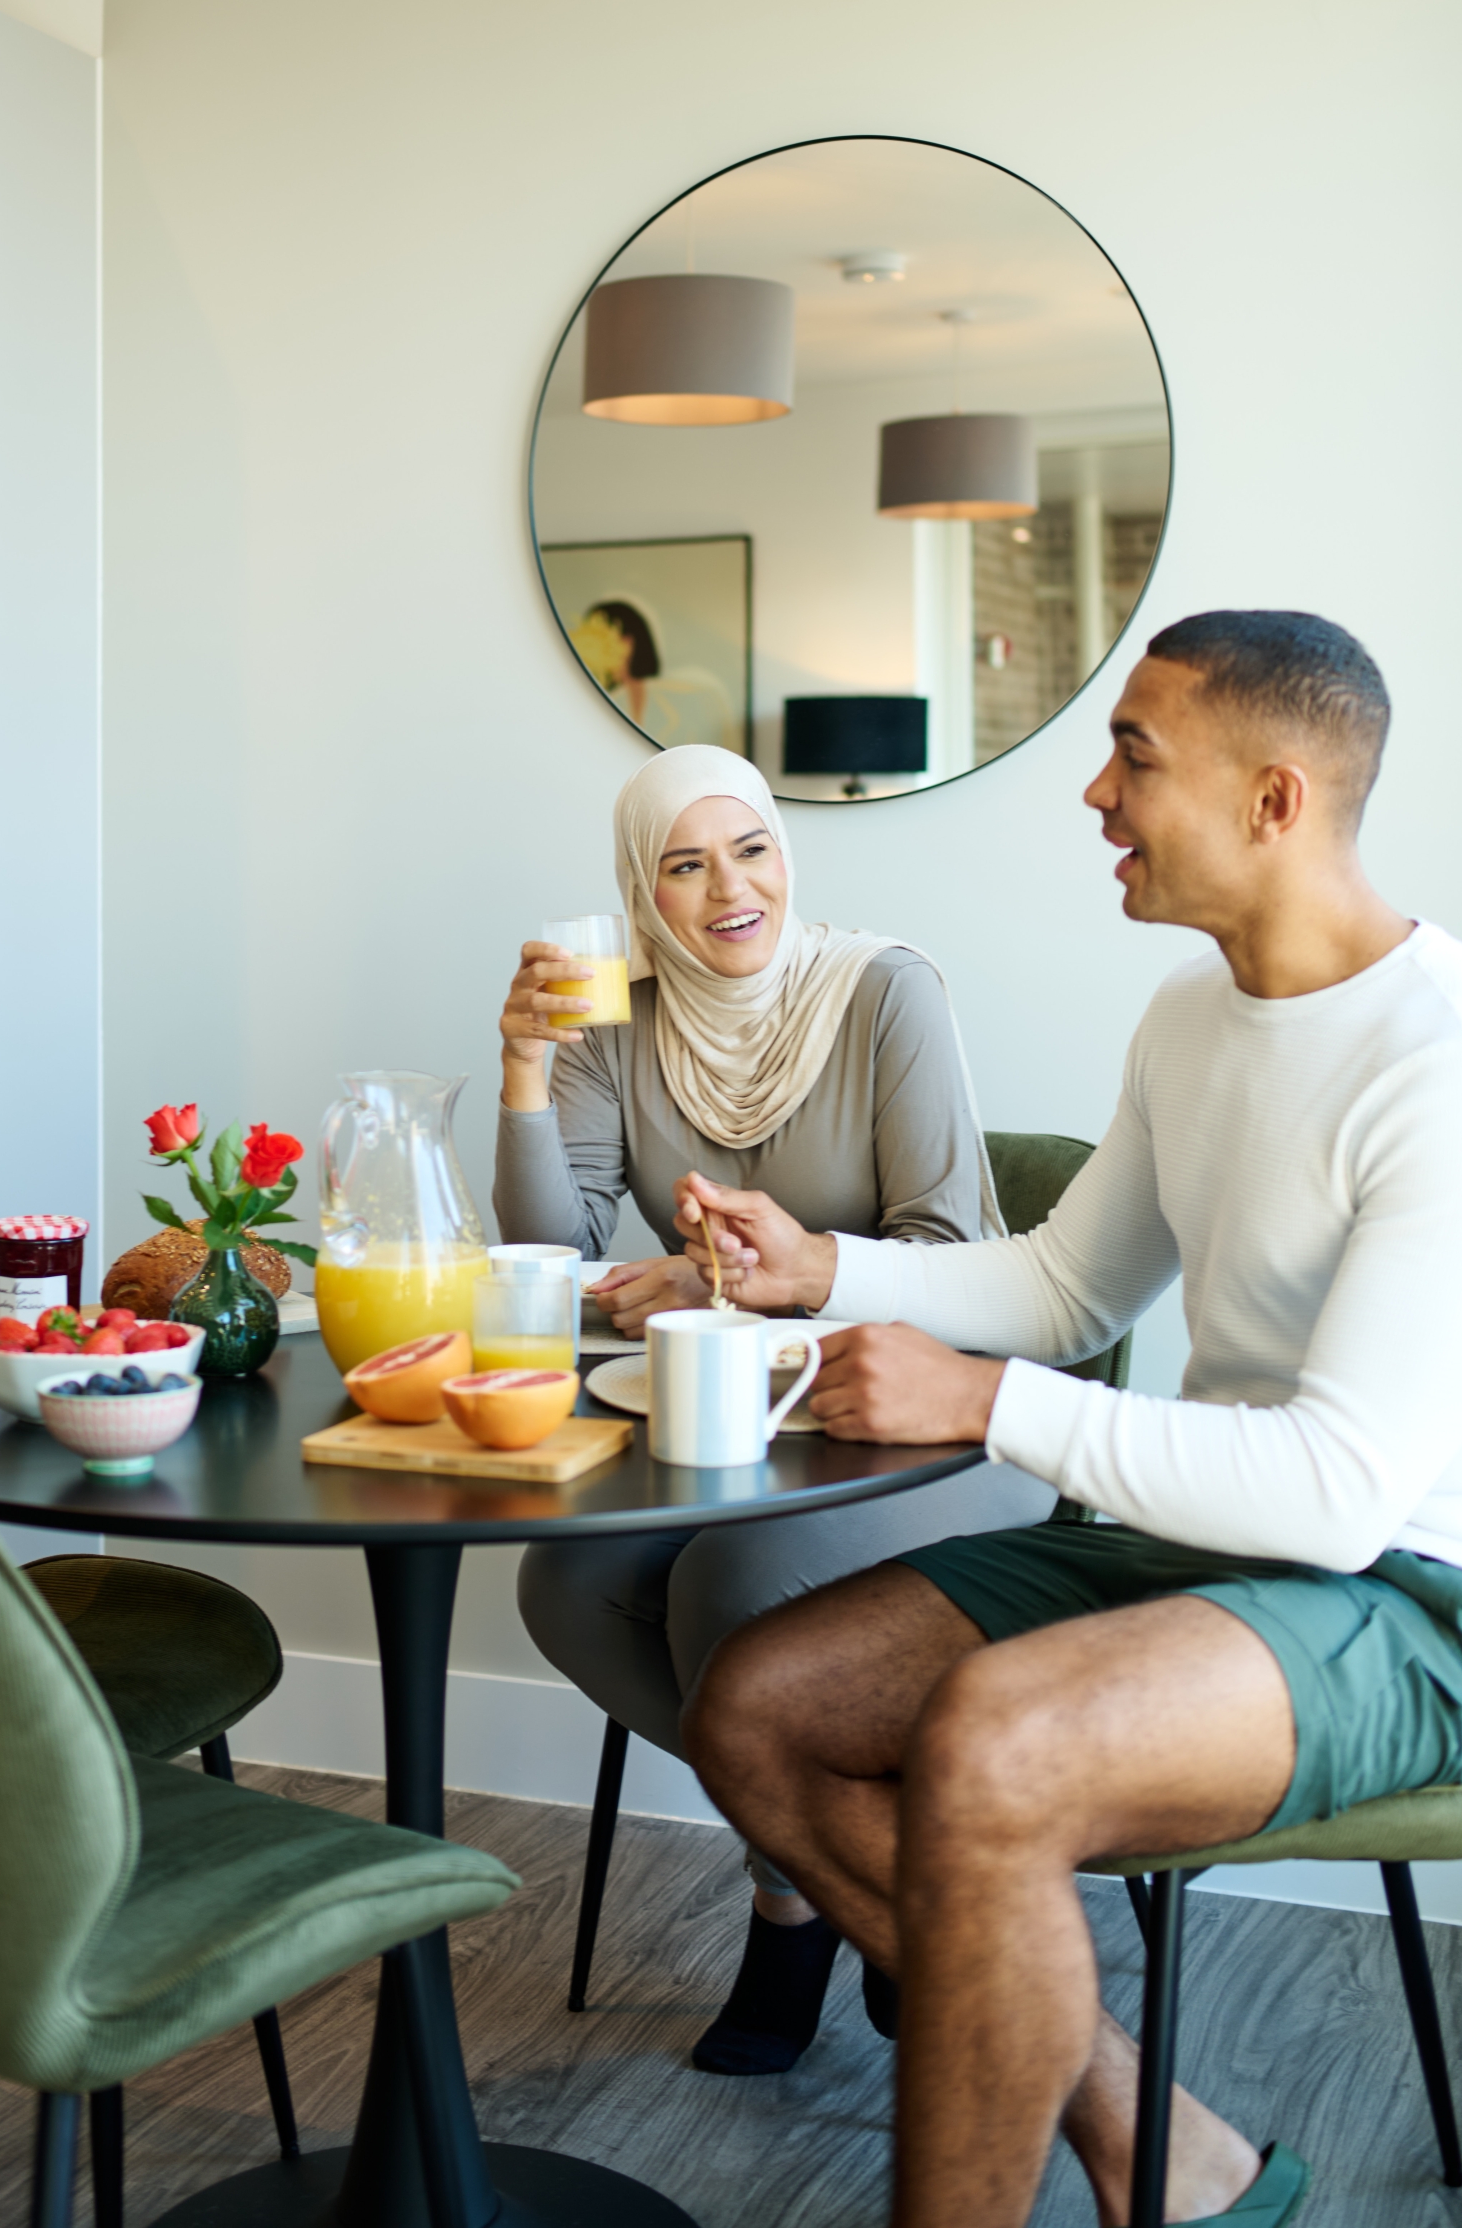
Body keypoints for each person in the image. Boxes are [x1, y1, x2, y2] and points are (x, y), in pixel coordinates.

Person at [682, 612, 1462, 2228]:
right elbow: (1068, 1284)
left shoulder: (1451, 1059)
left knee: (996, 1740)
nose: (1095, 793)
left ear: (1274, 800)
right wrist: (824, 1269)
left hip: (1424, 1593)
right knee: (759, 1703)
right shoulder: (1191, 1016)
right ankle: (1164, 2153)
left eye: (1134, 755)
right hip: (1203, 1544)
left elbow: (1339, 1493)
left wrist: (987, 1405)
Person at [495, 740, 1054, 2074]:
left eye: (750, 850)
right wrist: (523, 1069)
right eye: (685, 866)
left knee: (727, 1585)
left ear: (785, 855)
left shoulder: (883, 990)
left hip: (936, 1422)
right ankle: (865, 1872)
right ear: (643, 891)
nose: (729, 890)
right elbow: (554, 1265)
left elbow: (946, 1255)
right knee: (567, 1587)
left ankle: (790, 1908)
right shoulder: (614, 1022)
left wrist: (719, 1278)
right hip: (740, 1427)